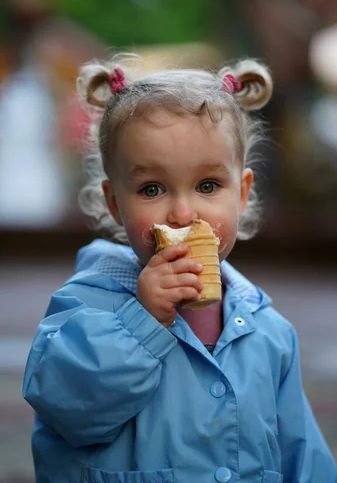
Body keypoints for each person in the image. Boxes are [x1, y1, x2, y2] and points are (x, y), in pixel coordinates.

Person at [23, 54, 337, 483]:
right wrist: (142, 323)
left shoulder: (269, 332)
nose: (184, 213)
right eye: (152, 188)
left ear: (242, 193)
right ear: (115, 202)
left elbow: (302, 454)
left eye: (208, 185)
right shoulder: (87, 303)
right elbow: (67, 407)